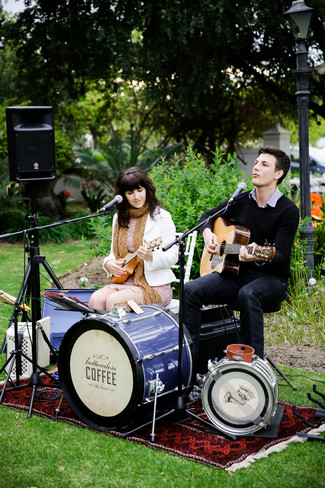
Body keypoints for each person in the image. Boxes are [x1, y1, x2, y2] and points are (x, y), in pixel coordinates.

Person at [183, 146, 299, 373]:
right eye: (256, 162)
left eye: (264, 164)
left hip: (271, 280)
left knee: (248, 294)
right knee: (190, 290)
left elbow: (282, 256)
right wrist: (208, 235)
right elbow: (207, 217)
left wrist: (258, 252)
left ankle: (254, 371)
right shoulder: (242, 199)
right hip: (235, 274)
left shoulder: (288, 210)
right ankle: (192, 368)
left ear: (278, 174)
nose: (256, 167)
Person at [89, 167, 178, 311]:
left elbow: (173, 256)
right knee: (96, 300)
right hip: (123, 282)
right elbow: (113, 254)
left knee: (114, 301)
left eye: (140, 190)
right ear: (123, 195)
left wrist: (151, 257)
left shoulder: (161, 216)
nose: (137, 197)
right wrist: (108, 263)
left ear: (147, 190)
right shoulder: (119, 218)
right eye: (130, 193)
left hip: (154, 286)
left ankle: (121, 334)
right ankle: (102, 334)